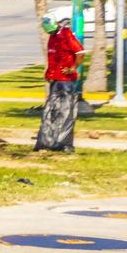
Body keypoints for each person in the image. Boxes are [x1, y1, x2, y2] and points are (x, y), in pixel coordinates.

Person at [36, 14, 87, 152]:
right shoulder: (52, 38)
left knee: (65, 113)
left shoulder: (66, 34)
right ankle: (46, 141)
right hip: (55, 81)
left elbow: (80, 52)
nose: (51, 34)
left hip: (66, 83)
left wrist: (73, 68)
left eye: (52, 31)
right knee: (50, 112)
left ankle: (64, 143)